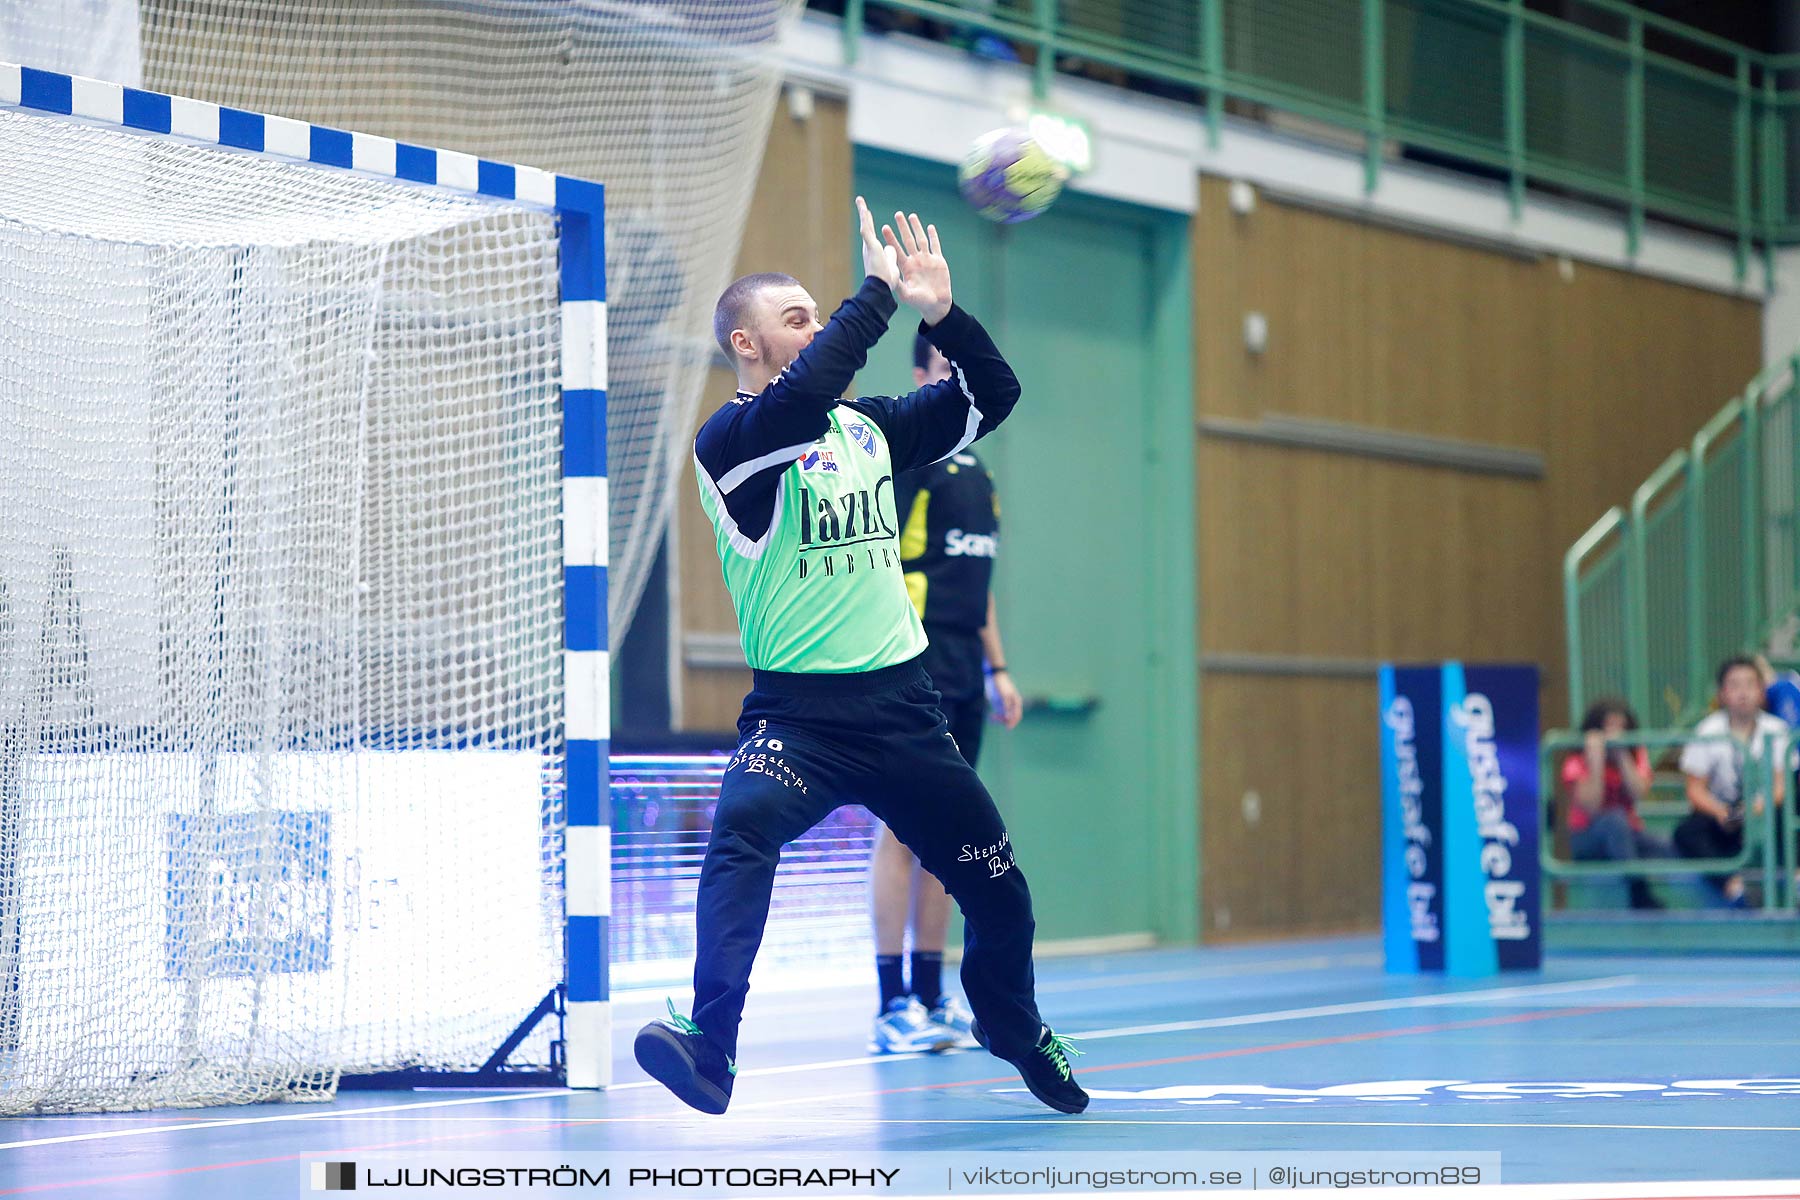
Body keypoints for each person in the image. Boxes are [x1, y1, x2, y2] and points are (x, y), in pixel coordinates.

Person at [632, 197, 1087, 1115]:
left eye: (820, 314)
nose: (821, 329)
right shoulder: (734, 447)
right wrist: (874, 294)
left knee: (1001, 892)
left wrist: (941, 313)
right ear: (746, 346)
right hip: (798, 724)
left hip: (906, 712)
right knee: (739, 837)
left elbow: (994, 395)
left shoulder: (868, 432)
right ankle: (709, 1043)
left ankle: (1009, 1023)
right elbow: (801, 401)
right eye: (797, 318)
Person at [866, 335, 1023, 1055]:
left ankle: (931, 997)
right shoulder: (911, 461)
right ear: (924, 373)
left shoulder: (978, 471)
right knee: (901, 831)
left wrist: (998, 670)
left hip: (966, 665)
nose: (963, 378)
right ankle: (890, 1004)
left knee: (953, 840)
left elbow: (979, 586)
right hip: (914, 660)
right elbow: (876, 561)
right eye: (950, 367)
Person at [1675, 656, 1788, 907]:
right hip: (1725, 814)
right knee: (1687, 832)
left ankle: (1796, 879)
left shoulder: (1777, 730)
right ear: (1722, 693)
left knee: (1790, 814)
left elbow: (1781, 785)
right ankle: (1733, 888)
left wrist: (1757, 809)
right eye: (1735, 685)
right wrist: (1722, 812)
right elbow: (1694, 789)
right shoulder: (1707, 731)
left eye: (1750, 684)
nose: (1743, 693)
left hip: (1765, 812)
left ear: (1761, 691)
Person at [1559, 698, 1667, 910]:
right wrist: (1596, 760)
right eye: (1609, 727)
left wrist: (1622, 757)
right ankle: (1638, 891)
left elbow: (1639, 794)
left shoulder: (1636, 754)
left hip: (1628, 835)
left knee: (1666, 845)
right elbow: (1592, 805)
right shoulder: (1576, 760)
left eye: (1621, 728)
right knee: (1614, 819)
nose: (1614, 735)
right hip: (1587, 837)